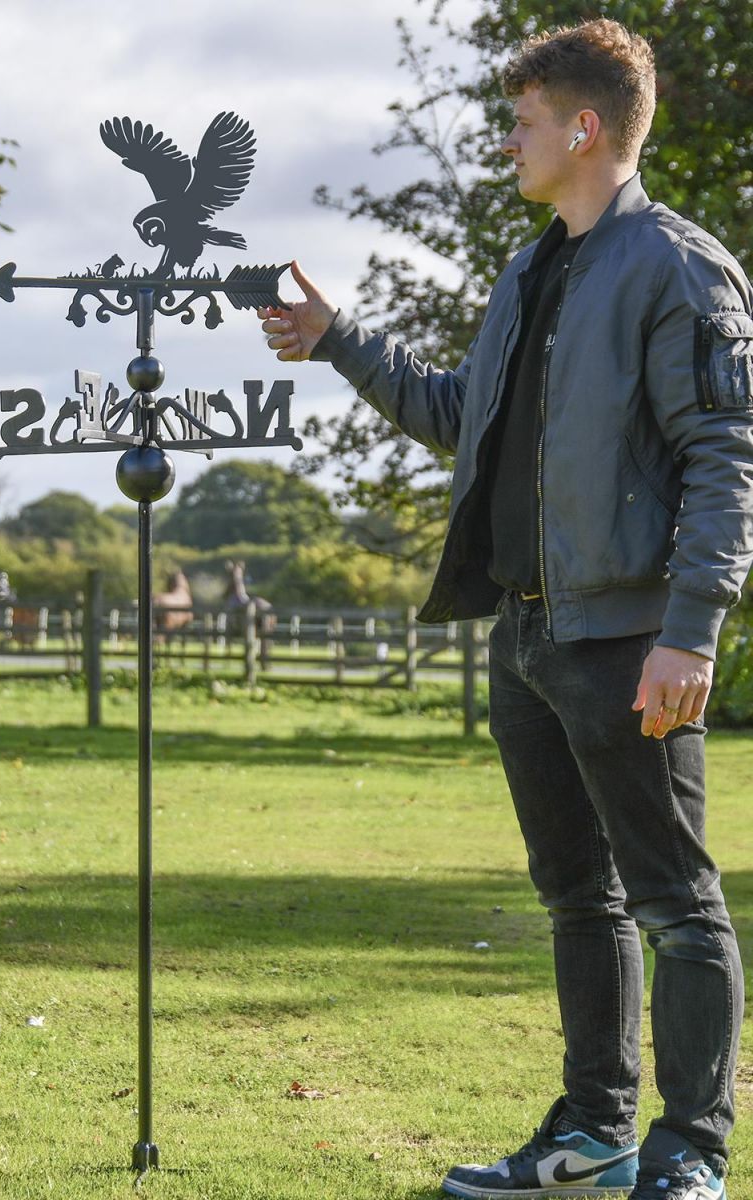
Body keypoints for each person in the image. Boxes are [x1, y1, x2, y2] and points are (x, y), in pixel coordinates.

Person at [259, 18, 752, 1200]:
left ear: (584, 128)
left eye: (523, 121)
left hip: (630, 639)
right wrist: (336, 344)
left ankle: (691, 1152)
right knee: (577, 899)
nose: (507, 140)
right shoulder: (532, 270)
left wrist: (690, 632)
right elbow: (458, 417)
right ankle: (595, 1131)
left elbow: (729, 458)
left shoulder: (684, 271)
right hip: (526, 637)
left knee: (676, 902)